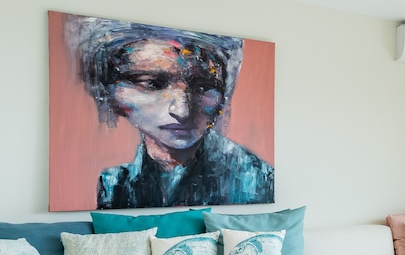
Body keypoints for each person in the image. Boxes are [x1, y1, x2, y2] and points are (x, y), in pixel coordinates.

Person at [69, 16, 274, 209]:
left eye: (203, 85)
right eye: (152, 84)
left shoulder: (256, 182)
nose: (182, 111)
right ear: (111, 92)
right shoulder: (114, 185)